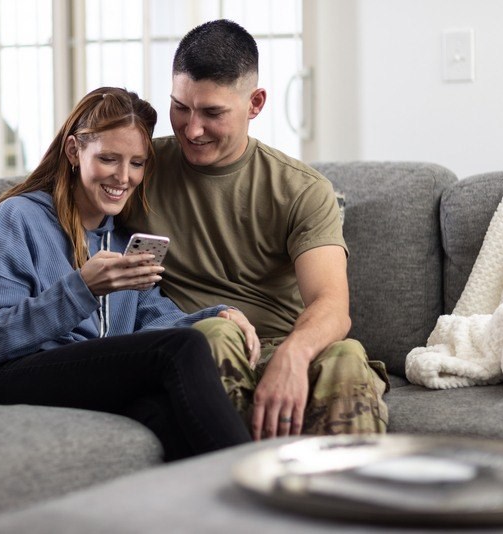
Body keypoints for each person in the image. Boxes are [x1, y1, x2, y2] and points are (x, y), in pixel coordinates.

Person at [126, 20, 389, 441]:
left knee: (347, 356)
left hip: (281, 343)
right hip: (194, 342)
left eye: (213, 113)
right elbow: (59, 198)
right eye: (180, 107)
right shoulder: (136, 170)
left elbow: (331, 304)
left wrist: (293, 356)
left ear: (256, 103)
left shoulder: (300, 189)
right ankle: (244, 490)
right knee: (212, 333)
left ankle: (351, 501)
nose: (192, 130)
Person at [0, 86, 253, 462]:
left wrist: (217, 315)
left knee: (167, 416)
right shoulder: (16, 219)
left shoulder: (121, 241)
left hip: (86, 376)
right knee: (184, 348)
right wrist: (82, 288)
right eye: (109, 159)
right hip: (7, 375)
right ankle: (255, 483)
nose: (123, 177)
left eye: (136, 163)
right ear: (74, 151)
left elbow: (156, 325)